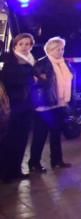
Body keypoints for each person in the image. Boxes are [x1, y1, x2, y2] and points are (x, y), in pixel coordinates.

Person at [28, 37, 74, 173]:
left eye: (62, 48)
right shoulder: (42, 64)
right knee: (40, 135)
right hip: (45, 105)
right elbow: (36, 85)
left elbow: (71, 83)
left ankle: (57, 161)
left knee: (56, 134)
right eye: (56, 49)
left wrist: (70, 101)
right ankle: (34, 163)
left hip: (60, 104)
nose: (60, 51)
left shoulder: (66, 63)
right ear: (48, 50)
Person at [0, 33, 35, 182]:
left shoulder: (32, 61)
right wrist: (30, 78)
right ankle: (6, 173)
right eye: (21, 44)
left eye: (28, 44)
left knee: (22, 139)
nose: (25, 47)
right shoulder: (10, 61)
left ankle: (17, 170)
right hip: (14, 106)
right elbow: (8, 82)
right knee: (10, 140)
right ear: (15, 45)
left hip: (27, 105)